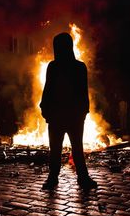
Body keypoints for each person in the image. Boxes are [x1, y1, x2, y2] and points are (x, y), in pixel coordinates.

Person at [40, 32, 97, 190]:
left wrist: (83, 112)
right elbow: (48, 89)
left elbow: (82, 92)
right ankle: (58, 177)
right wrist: (45, 108)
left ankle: (78, 177)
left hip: (70, 116)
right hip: (63, 116)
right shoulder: (59, 66)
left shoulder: (76, 67)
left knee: (73, 148)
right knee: (59, 149)